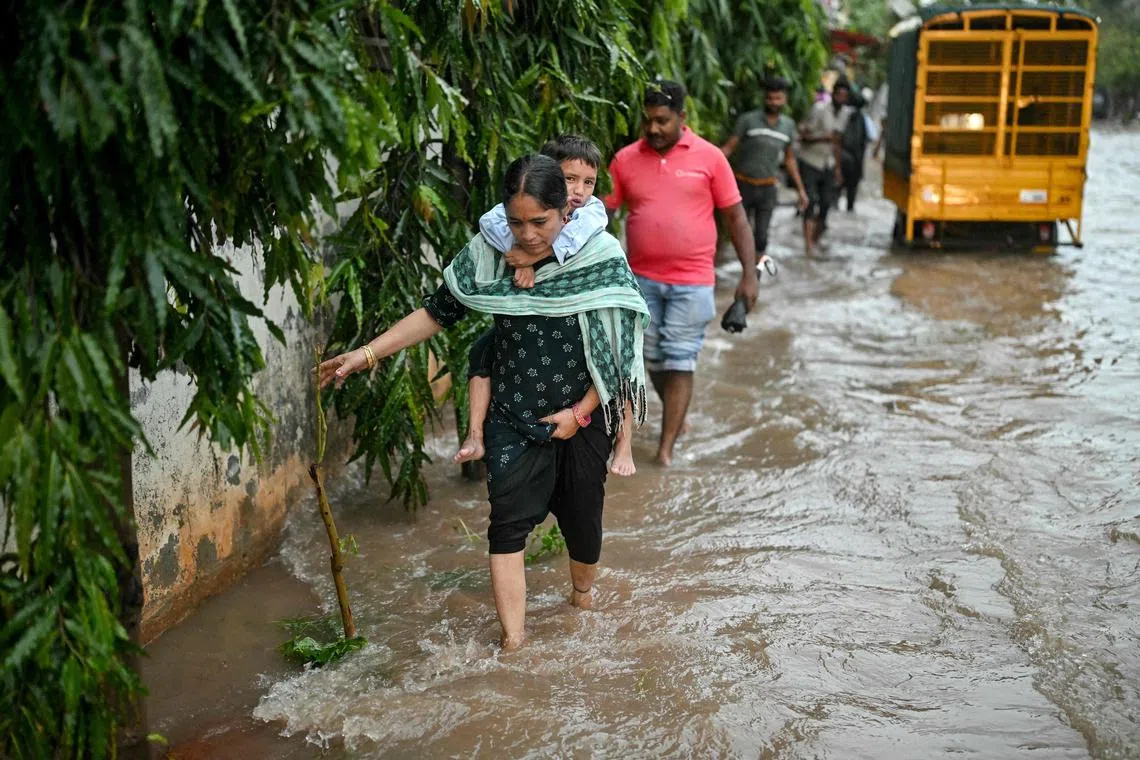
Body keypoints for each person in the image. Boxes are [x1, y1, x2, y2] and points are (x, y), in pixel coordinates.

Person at [318, 155, 650, 651]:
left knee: (584, 528)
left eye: (540, 221)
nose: (528, 234)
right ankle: (514, 645)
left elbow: (621, 353)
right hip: (512, 416)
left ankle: (581, 597)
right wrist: (366, 354)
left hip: (584, 415)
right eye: (516, 221)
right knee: (506, 528)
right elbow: (436, 312)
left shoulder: (599, 256)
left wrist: (579, 414)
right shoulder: (489, 254)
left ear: (565, 212)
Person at [455, 135, 638, 477]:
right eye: (570, 180)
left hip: (594, 315)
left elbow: (572, 239)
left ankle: (624, 444)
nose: (579, 191)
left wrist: (532, 256)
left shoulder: (591, 214)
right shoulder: (526, 211)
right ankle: (475, 433)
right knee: (481, 352)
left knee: (617, 356)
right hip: (532, 333)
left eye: (588, 182)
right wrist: (519, 249)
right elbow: (492, 222)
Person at [605, 79, 759, 467]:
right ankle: (677, 414)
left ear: (682, 118)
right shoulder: (624, 160)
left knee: (680, 360)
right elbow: (602, 215)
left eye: (662, 120)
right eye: (648, 121)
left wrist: (749, 274)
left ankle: (665, 449)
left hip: (693, 281)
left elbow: (736, 218)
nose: (654, 128)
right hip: (639, 281)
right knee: (652, 360)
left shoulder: (710, 158)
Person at [721, 76, 809, 260]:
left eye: (778, 98)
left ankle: (755, 276)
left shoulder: (788, 126)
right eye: (770, 98)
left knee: (761, 236)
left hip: (768, 188)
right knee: (737, 230)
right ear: (764, 98)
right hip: (743, 186)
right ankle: (738, 268)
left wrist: (801, 190)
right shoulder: (748, 120)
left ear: (784, 99)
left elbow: (790, 159)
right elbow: (729, 148)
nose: (774, 102)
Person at [797, 78, 851, 255]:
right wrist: (822, 137)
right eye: (839, 95)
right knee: (811, 201)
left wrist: (837, 169)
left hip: (828, 163)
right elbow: (803, 134)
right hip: (811, 161)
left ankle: (814, 240)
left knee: (827, 203)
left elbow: (838, 142)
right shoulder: (819, 109)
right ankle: (807, 245)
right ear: (833, 94)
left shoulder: (844, 114)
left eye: (845, 96)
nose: (841, 99)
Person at [839, 88, 872, 213]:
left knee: (836, 189)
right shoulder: (862, 118)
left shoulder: (844, 115)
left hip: (844, 157)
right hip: (855, 159)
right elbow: (870, 137)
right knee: (851, 189)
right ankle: (849, 207)